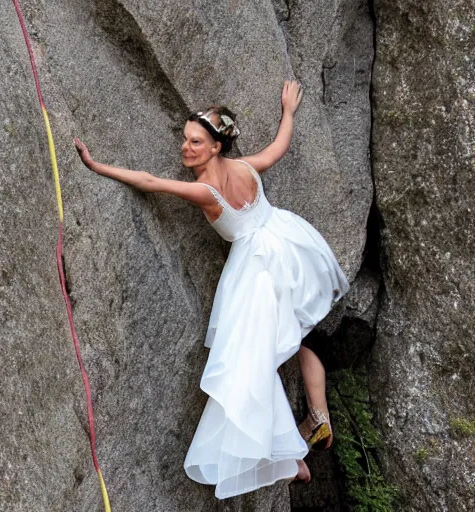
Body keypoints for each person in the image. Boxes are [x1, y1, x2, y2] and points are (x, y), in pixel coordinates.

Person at [74, 80, 350, 499]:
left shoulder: (206, 191)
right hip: (287, 246)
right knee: (293, 342)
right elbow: (278, 148)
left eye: (196, 142)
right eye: (185, 140)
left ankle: (287, 453)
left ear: (217, 147)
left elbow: (149, 181)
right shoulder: (246, 169)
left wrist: (97, 166)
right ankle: (312, 421)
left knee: (249, 363)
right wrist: (288, 112)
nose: (186, 148)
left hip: (257, 272)